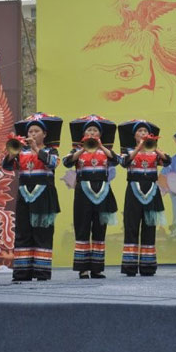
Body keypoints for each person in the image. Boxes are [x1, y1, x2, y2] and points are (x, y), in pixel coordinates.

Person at [3, 113, 62, 282]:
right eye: (30, 132)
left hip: (44, 195)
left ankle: (42, 272)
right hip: (24, 195)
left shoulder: (51, 150)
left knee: (42, 233)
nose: (33, 134)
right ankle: (22, 272)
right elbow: (7, 166)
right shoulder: (21, 151)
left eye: (36, 131)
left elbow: (52, 163)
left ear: (44, 134)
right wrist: (12, 152)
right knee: (23, 232)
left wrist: (36, 148)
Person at [63, 115, 118, 279]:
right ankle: (83, 269)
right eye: (89, 130)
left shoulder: (105, 151)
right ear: (84, 134)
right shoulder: (77, 151)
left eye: (95, 130)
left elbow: (117, 160)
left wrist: (100, 146)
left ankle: (97, 268)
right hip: (83, 192)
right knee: (82, 228)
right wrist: (82, 148)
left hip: (102, 192)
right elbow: (66, 162)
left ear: (100, 134)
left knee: (100, 229)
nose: (92, 133)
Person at [118, 120, 171, 277]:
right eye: (140, 131)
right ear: (134, 135)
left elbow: (167, 161)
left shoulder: (154, 152)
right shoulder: (128, 151)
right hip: (133, 190)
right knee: (131, 227)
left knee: (149, 227)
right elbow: (124, 162)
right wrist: (139, 147)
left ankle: (148, 267)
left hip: (151, 191)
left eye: (145, 132)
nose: (143, 133)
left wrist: (154, 147)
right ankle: (130, 267)